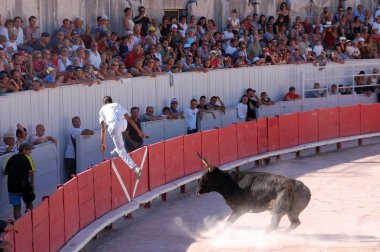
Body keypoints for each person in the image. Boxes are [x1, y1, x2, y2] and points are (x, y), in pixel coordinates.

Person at [99, 96, 146, 178]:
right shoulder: (117, 104)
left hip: (113, 126)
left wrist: (103, 143)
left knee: (121, 150)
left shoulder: (102, 109)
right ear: (111, 101)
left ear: (104, 103)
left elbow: (103, 129)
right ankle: (117, 148)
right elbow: (130, 120)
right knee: (118, 143)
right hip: (124, 124)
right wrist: (139, 132)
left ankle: (135, 168)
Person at [4, 143, 35, 220]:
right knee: (29, 203)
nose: (30, 152)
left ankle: (19, 225)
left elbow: (5, 173)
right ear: (24, 150)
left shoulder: (11, 158)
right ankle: (29, 222)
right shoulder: (27, 158)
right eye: (29, 150)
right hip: (24, 185)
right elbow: (31, 172)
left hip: (12, 186)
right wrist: (32, 183)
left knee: (16, 207)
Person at [64, 116, 94, 180]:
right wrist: (89, 131)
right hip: (70, 156)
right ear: (72, 123)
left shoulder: (79, 130)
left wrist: (89, 131)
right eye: (76, 121)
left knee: (75, 173)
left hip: (75, 156)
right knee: (71, 174)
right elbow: (86, 132)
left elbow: (90, 132)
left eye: (79, 121)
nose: (78, 123)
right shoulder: (73, 130)